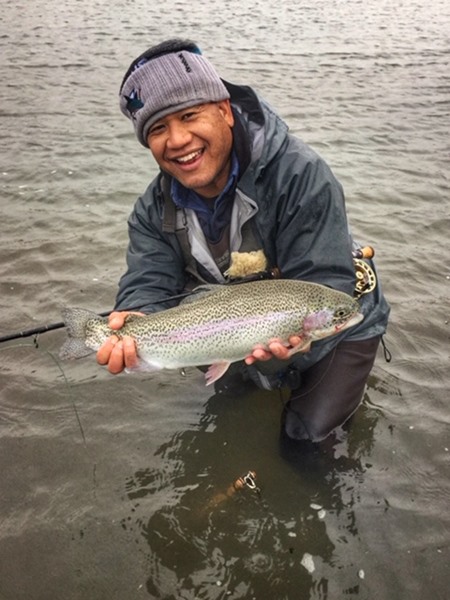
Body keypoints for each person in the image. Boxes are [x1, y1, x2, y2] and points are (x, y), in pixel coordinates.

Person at [96, 38, 390, 443]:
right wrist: (134, 316)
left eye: (189, 116)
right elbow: (149, 282)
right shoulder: (152, 210)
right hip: (236, 331)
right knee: (227, 433)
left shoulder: (301, 176)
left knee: (306, 439)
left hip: (334, 330)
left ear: (224, 111)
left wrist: (294, 345)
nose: (177, 139)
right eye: (158, 128)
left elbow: (325, 285)